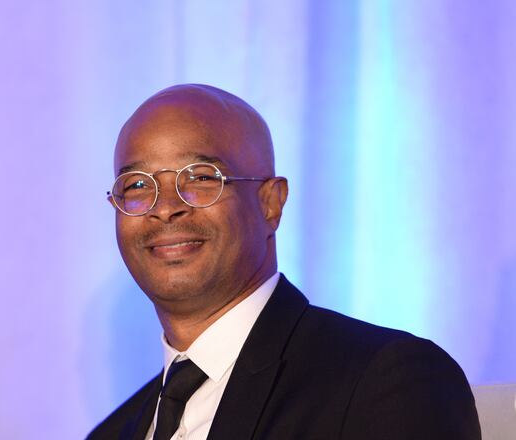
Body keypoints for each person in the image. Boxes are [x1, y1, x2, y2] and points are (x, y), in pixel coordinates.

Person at [87, 84, 480, 440]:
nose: (165, 207)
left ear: (270, 203)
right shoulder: (111, 433)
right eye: (137, 185)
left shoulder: (383, 381)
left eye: (201, 178)